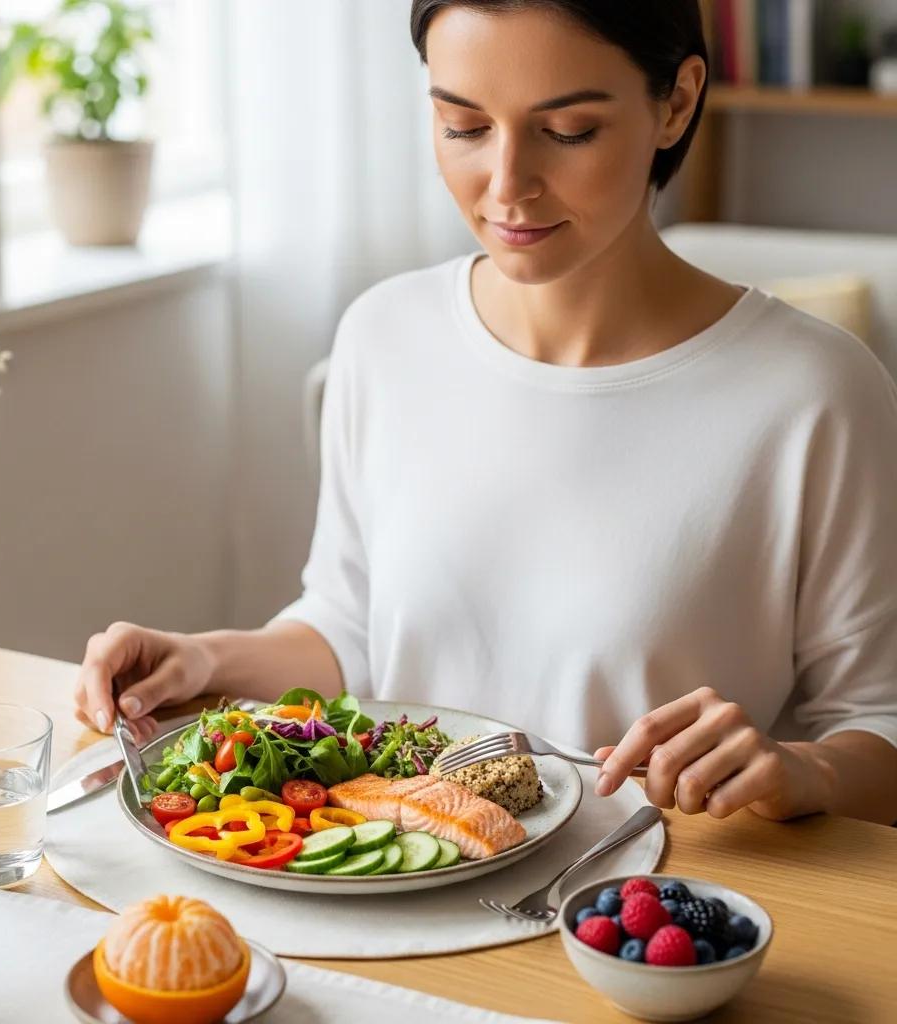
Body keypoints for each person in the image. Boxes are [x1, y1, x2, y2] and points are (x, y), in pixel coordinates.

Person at [74, 0, 897, 824]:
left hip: (635, 920)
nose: (507, 187)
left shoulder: (814, 392)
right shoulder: (383, 335)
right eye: (464, 127)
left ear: (677, 101)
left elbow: (878, 727)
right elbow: (355, 631)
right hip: (399, 880)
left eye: (569, 131)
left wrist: (803, 772)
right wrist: (199, 659)